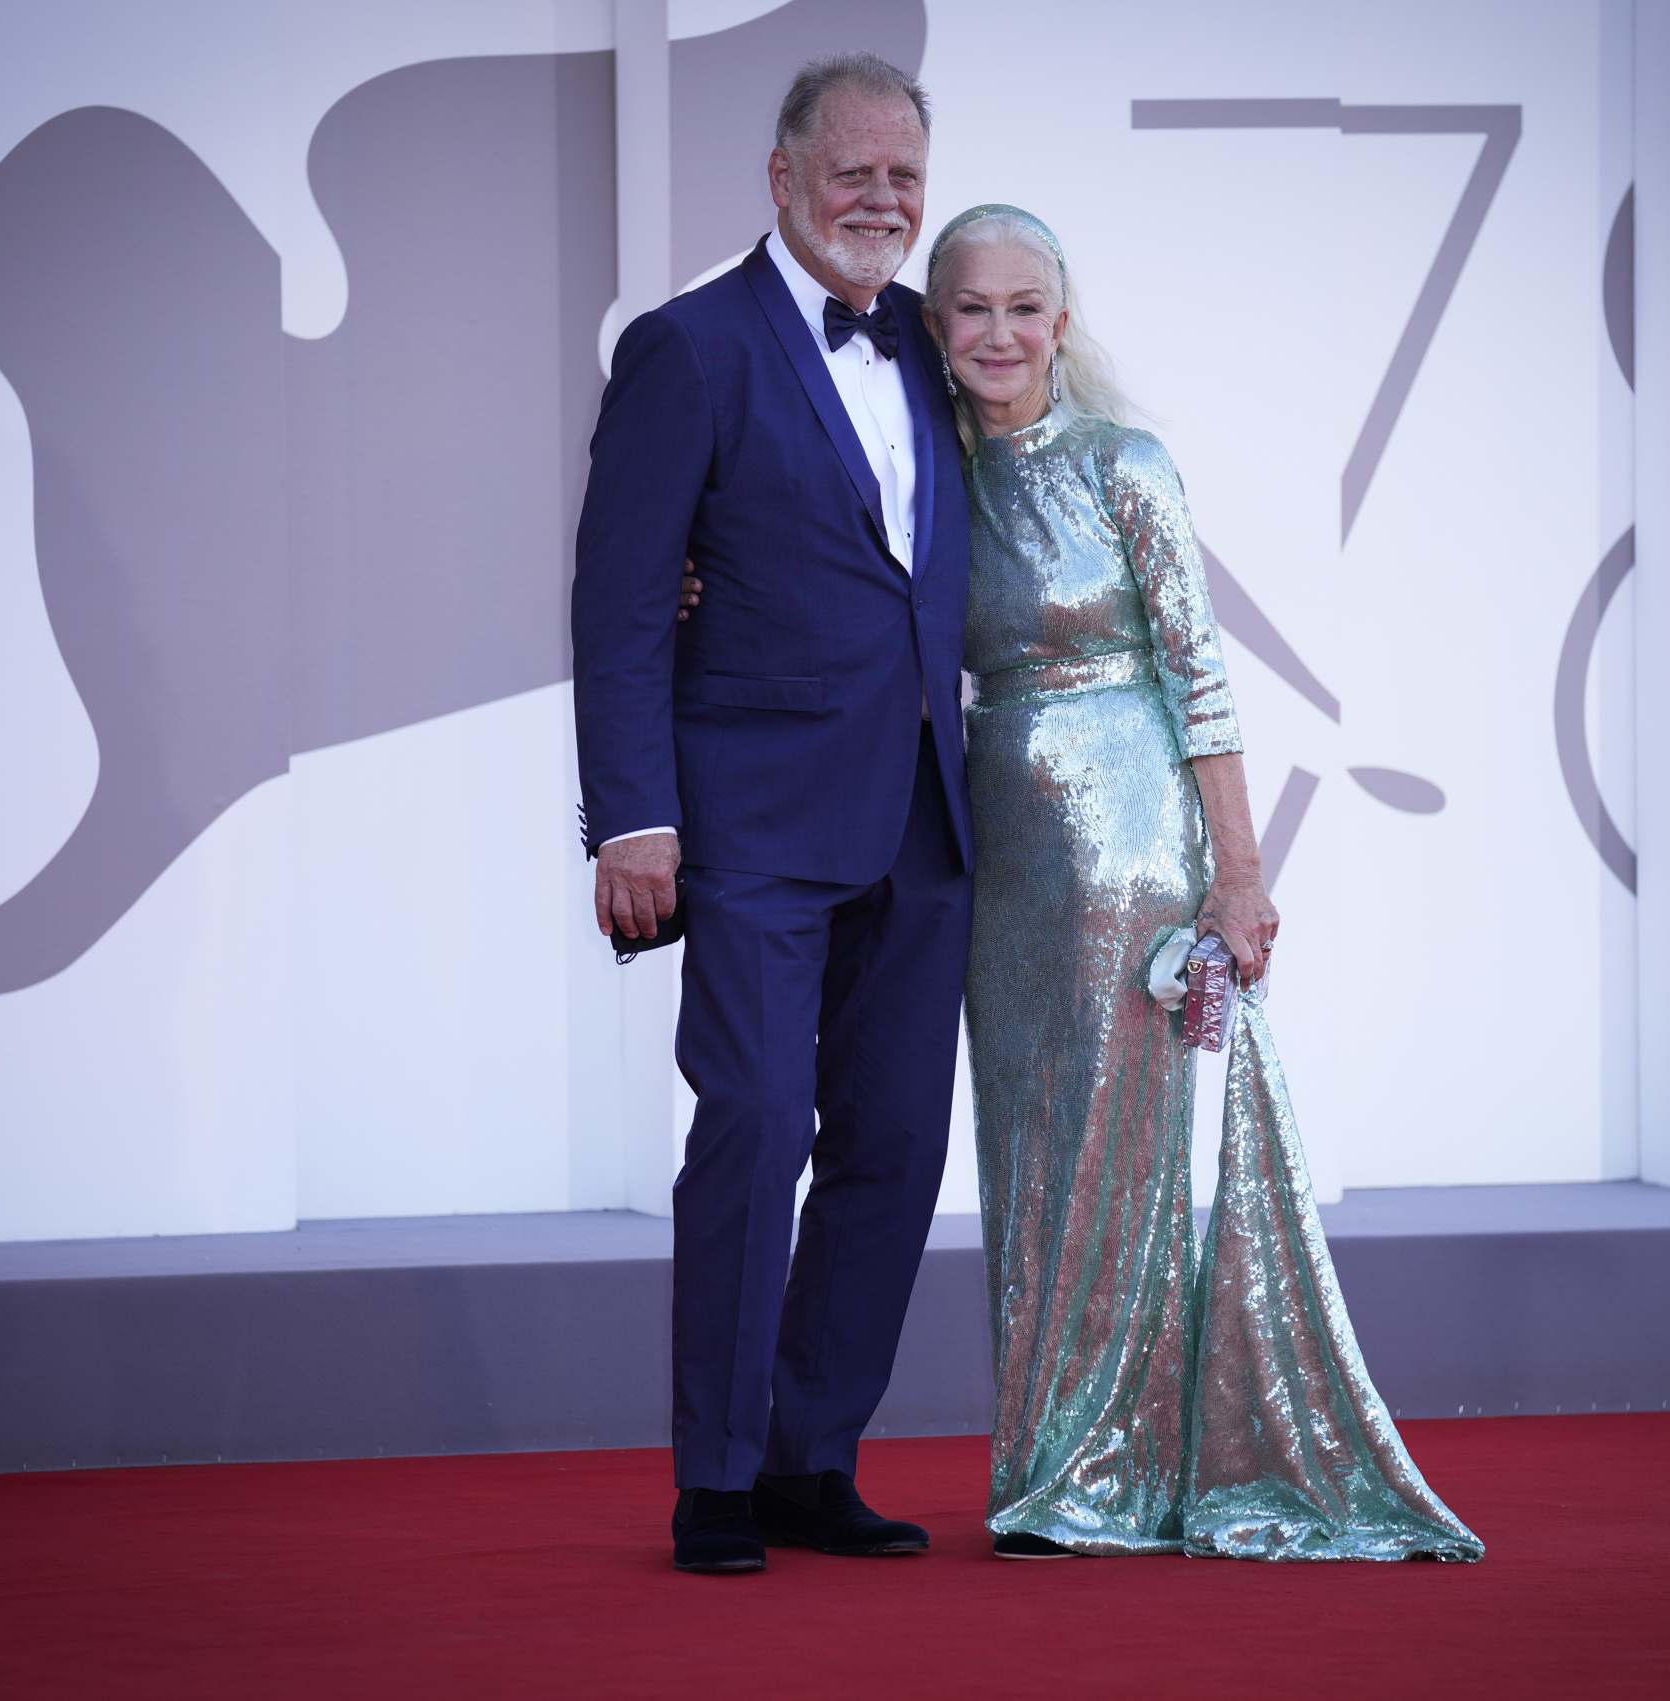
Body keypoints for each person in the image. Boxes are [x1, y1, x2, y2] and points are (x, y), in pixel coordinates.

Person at [924, 204, 1482, 1562]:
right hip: (996, 846)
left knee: (1120, 1147)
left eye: (1025, 307)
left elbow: (1202, 675)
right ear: (934, 329)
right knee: (1030, 1149)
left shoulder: (1127, 464)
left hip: (1128, 842)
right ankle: (1051, 1461)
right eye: (971, 310)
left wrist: (1239, 874)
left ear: (1064, 320)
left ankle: (1109, 1474)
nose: (1000, 333)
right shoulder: (934, 477)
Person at [570, 54, 972, 1575]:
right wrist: (632, 820)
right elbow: (618, 602)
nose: (882, 198)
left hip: (927, 817)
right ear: (782, 175)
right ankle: (719, 1471)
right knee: (748, 1126)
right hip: (748, 822)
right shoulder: (686, 349)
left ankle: (815, 1453)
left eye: (904, 176)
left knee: (895, 1145)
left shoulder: (939, 343)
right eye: (854, 170)